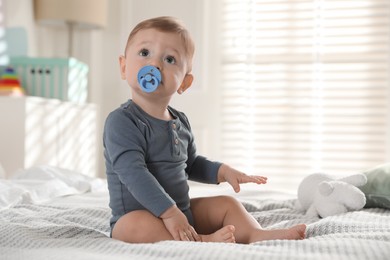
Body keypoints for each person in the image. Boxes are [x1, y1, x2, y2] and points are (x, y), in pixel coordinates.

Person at [103, 16, 306, 244]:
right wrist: (169, 213)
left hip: (182, 213)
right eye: (144, 53)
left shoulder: (180, 122)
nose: (155, 65)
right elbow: (134, 174)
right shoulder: (121, 122)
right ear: (123, 66)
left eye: (169, 59)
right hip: (140, 217)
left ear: (184, 83)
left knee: (227, 204)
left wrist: (223, 172)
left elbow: (191, 164)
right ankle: (201, 241)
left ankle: (254, 234)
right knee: (132, 226)